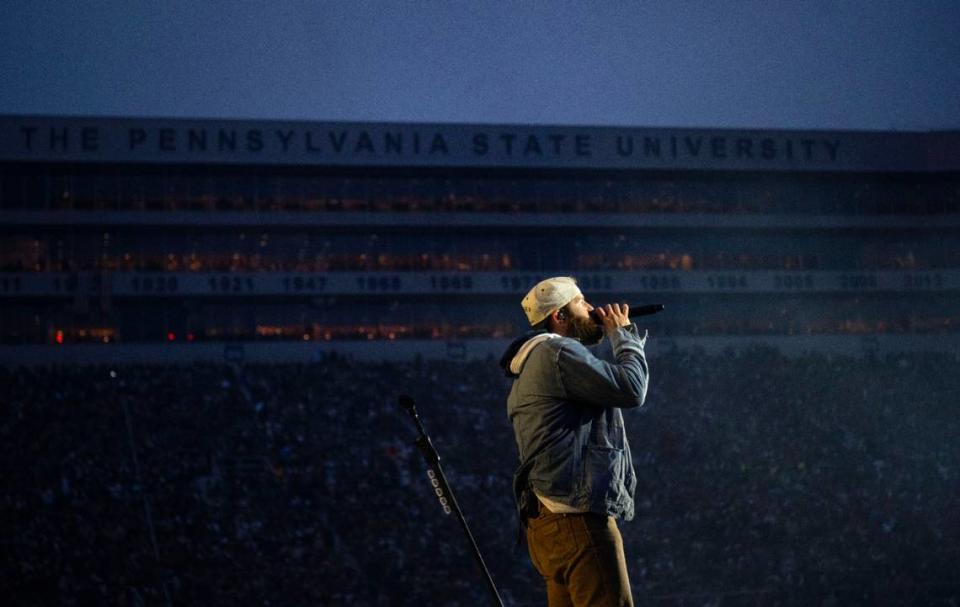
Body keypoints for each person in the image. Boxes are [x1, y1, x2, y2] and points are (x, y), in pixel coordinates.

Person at [499, 276, 649, 607]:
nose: (593, 308)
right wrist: (622, 335)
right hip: (578, 520)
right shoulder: (555, 352)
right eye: (581, 302)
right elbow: (632, 388)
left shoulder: (530, 365)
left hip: (549, 523)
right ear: (559, 317)